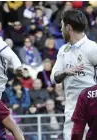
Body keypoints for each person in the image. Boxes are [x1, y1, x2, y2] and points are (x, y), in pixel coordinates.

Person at [50, 9, 97, 140]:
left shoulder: (92, 48)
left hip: (93, 111)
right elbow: (53, 78)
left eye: (61, 26)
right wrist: (65, 72)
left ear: (68, 27)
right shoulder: (63, 51)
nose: (60, 30)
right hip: (71, 111)